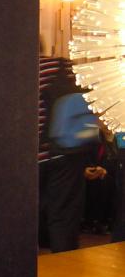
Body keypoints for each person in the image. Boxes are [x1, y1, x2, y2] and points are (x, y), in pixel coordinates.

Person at [38, 53, 89, 252]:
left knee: (27, 211)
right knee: (64, 215)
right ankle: (64, 261)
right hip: (66, 151)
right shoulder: (62, 65)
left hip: (31, 155)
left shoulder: (18, 68)